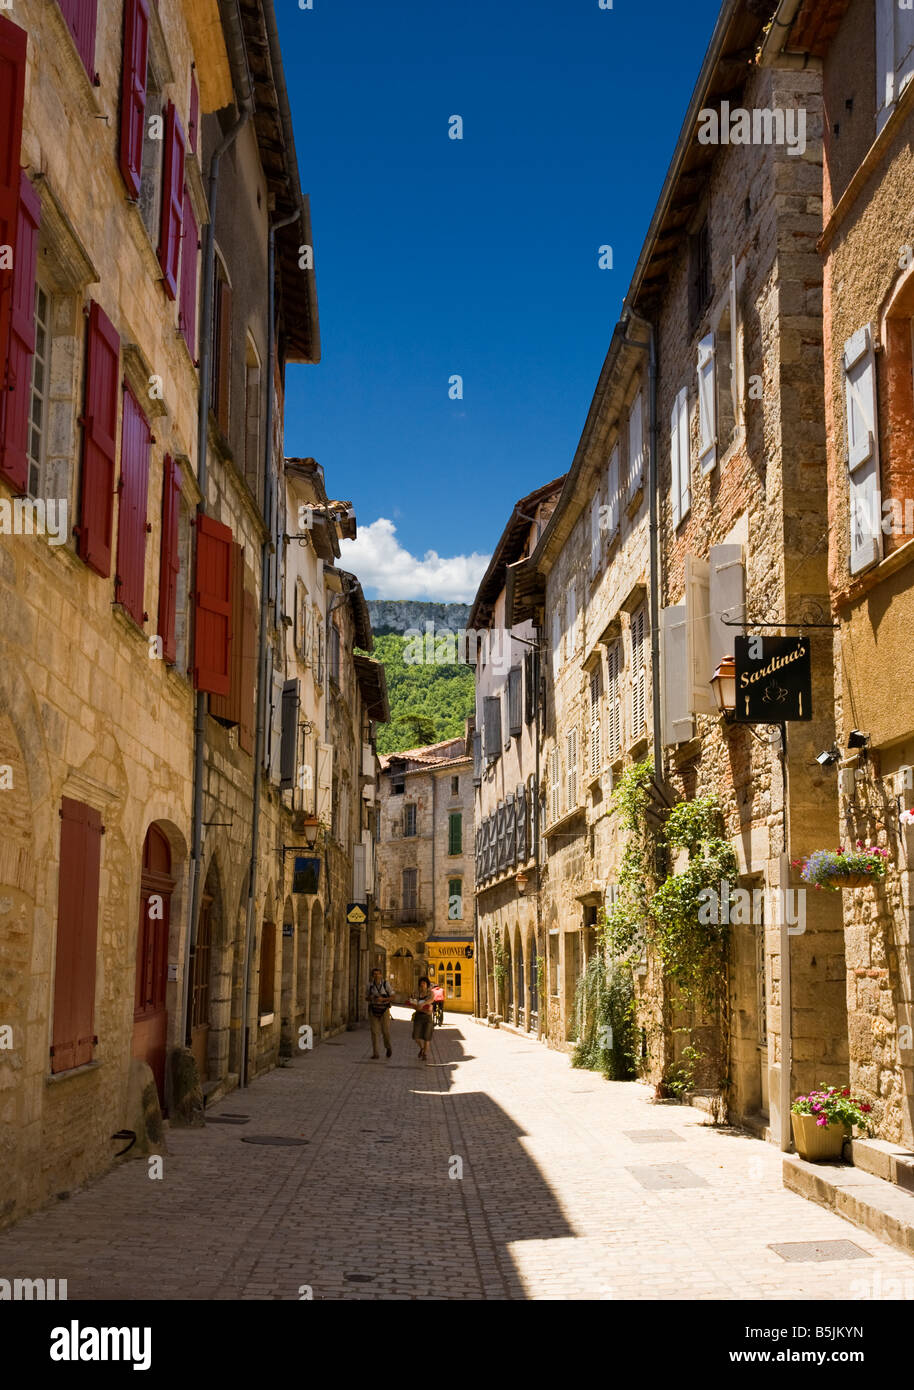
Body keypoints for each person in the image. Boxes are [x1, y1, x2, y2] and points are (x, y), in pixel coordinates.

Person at [366, 968, 393, 1059]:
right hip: (373, 1010)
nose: (376, 976)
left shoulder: (386, 984)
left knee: (385, 1031)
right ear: (372, 976)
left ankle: (388, 1047)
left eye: (378, 974)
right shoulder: (370, 985)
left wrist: (383, 999)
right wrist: (372, 997)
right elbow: (366, 998)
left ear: (381, 975)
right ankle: (376, 1053)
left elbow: (393, 996)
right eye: (374, 974)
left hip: (384, 1010)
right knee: (374, 1032)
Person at [408, 976, 435, 1061]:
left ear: (427, 984)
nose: (422, 984)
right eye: (421, 983)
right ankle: (422, 1048)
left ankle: (425, 1054)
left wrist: (422, 1005)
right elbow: (412, 1002)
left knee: (427, 1037)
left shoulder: (430, 993)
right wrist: (415, 1005)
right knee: (416, 1036)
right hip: (418, 1016)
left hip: (427, 1017)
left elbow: (431, 1000)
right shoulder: (416, 993)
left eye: (424, 983)